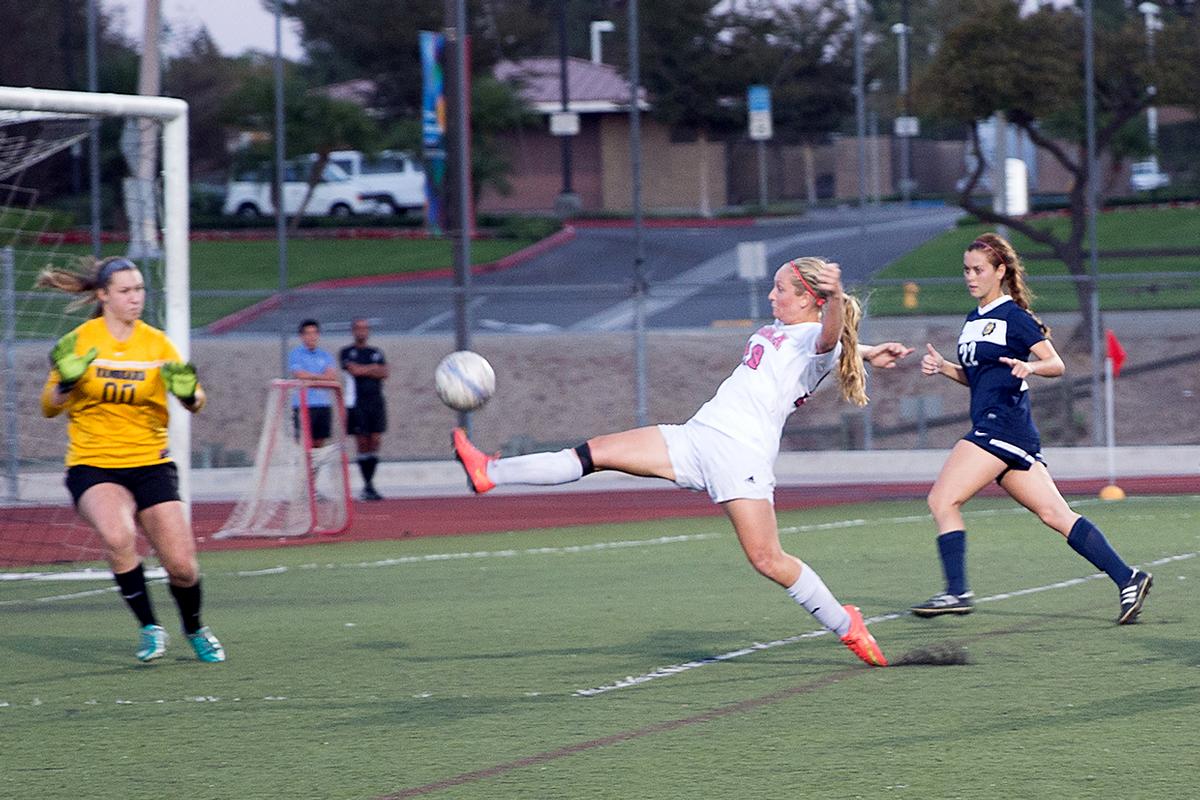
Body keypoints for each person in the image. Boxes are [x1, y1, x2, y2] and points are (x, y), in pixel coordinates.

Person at [453, 258, 913, 668]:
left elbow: (829, 337)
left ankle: (846, 623)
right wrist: (869, 351)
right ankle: (489, 473)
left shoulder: (819, 335)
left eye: (781, 289)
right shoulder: (790, 331)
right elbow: (838, 344)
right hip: (696, 437)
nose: (772, 294)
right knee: (592, 454)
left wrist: (834, 300)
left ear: (809, 299)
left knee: (768, 559)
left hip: (740, 454)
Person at [911, 232, 1151, 623]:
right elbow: (981, 379)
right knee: (1056, 514)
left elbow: (1056, 364)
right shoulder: (973, 320)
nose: (970, 277)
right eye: (966, 270)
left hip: (1000, 427)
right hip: (1009, 432)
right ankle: (1129, 578)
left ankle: (957, 591)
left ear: (1000, 271)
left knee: (942, 500)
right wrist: (944, 369)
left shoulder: (1014, 318)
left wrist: (1031, 367)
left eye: (978, 270)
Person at [37, 256, 225, 663]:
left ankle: (194, 627)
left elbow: (194, 401)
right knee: (117, 536)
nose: (135, 298)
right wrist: (67, 383)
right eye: (125, 291)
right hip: (94, 463)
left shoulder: (156, 343)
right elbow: (49, 406)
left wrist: (190, 392)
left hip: (150, 463)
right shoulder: (79, 341)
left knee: (182, 567)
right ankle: (149, 627)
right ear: (103, 295)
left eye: (139, 289)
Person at [340, 318, 389, 501]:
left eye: (365, 328)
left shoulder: (376, 352)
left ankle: (370, 484)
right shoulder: (347, 352)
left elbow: (384, 372)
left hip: (376, 401)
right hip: (357, 402)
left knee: (375, 440)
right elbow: (354, 371)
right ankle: (366, 485)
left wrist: (367, 369)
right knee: (362, 442)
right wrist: (372, 369)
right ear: (353, 331)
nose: (362, 331)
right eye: (358, 328)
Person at [288, 319, 338, 448]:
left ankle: (315, 469)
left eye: (314, 333)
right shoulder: (296, 354)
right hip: (303, 404)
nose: (311, 336)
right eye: (308, 333)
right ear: (302, 336)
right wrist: (321, 378)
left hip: (322, 404)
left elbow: (331, 376)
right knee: (304, 443)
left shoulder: (325, 355)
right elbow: (299, 374)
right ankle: (304, 468)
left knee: (319, 443)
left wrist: (312, 379)